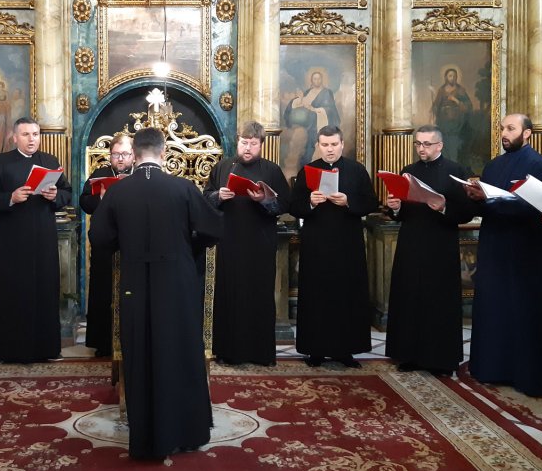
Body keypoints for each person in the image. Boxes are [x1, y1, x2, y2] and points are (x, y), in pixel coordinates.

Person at [89, 127, 223, 460]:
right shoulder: (183, 187)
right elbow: (212, 229)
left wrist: (126, 243)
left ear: (134, 154)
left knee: (142, 353)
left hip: (135, 281)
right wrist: (187, 245)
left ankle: (147, 437)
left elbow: (100, 238)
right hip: (177, 281)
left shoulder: (119, 192)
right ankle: (187, 433)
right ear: (164, 154)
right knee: (179, 351)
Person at [463, 114, 542, 397]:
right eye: (502, 127)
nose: (504, 132)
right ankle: (490, 368)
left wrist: (489, 199)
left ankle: (524, 374)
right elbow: (486, 208)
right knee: (493, 307)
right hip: (493, 247)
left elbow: (536, 208)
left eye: (511, 128)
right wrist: (474, 197)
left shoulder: (539, 165)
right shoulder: (493, 165)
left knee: (521, 309)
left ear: (527, 133)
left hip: (523, 249)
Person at [0, 117, 72, 365]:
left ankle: (48, 348)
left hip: (43, 239)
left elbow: (67, 192)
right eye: (27, 134)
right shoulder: (1, 162)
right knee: (11, 292)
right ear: (14, 137)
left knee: (44, 290)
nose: (32, 139)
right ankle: (3, 351)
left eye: (36, 134)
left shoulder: (49, 162)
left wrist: (55, 195)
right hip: (12, 241)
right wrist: (11, 197)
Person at [384, 125, 476, 375]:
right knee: (410, 297)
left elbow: (468, 212)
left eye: (426, 144)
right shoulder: (408, 172)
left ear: (440, 145)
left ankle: (441, 360)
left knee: (439, 301)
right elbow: (401, 214)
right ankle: (408, 355)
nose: (421, 149)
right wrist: (394, 207)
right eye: (418, 144)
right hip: (411, 242)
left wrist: (444, 207)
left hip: (440, 244)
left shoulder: (456, 172)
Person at [290, 125, 378, 368]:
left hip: (347, 244)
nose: (329, 149)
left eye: (334, 145)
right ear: (318, 145)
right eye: (325, 145)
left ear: (342, 144)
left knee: (346, 296)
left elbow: (371, 202)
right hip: (316, 244)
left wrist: (349, 201)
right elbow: (293, 205)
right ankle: (315, 349)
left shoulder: (357, 170)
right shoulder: (307, 171)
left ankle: (345, 350)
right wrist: (309, 201)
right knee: (316, 296)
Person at [203, 121, 289, 366]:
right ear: (237, 141)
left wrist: (264, 200)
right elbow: (205, 197)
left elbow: (284, 206)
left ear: (261, 144)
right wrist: (218, 195)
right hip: (228, 244)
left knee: (258, 297)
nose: (248, 147)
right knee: (229, 296)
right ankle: (228, 352)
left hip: (259, 245)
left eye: (253, 143)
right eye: (244, 142)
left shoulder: (271, 171)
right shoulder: (222, 167)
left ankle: (260, 353)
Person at [77, 133, 134, 358]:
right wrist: (101, 198)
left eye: (125, 154)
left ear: (134, 155)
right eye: (116, 154)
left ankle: (130, 339)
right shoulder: (100, 175)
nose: (120, 159)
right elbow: (84, 202)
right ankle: (102, 342)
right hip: (105, 243)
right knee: (103, 290)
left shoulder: (139, 176)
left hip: (131, 242)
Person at [284, 70, 341, 167]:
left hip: (318, 123)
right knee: (305, 144)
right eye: (315, 79)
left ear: (321, 80)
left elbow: (330, 109)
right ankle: (305, 166)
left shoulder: (326, 92)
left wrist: (314, 109)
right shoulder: (308, 91)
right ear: (312, 80)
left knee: (314, 144)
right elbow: (304, 103)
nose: (317, 81)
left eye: (319, 78)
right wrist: (300, 101)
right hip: (307, 123)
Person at [431, 67, 473, 163]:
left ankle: (454, 166)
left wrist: (456, 101)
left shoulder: (460, 90)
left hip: (457, 124)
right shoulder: (441, 90)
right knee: (444, 146)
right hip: (443, 124)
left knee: (454, 146)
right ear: (446, 77)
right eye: (450, 76)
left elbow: (468, 106)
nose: (452, 78)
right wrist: (435, 108)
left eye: (454, 76)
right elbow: (436, 105)